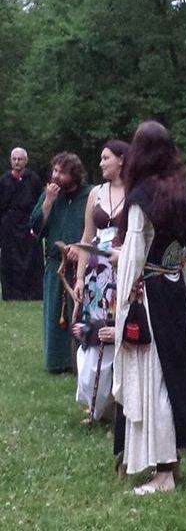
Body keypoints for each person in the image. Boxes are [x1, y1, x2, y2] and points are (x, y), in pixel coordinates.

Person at [113, 121, 186, 495]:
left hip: (149, 296)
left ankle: (163, 473)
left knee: (155, 379)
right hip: (175, 291)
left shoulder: (143, 197)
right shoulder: (185, 194)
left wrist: (126, 294)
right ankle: (168, 463)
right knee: (171, 376)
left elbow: (133, 253)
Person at [72, 140, 128, 423]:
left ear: (121, 160)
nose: (101, 163)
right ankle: (95, 403)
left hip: (122, 268)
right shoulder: (96, 193)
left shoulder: (134, 193)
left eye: (106, 158)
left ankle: (120, 403)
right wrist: (80, 277)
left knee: (116, 330)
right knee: (93, 333)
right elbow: (86, 237)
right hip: (96, 274)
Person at [31, 153, 92, 373]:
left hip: (82, 265)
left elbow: (94, 229)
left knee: (82, 312)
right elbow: (36, 227)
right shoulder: (49, 195)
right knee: (55, 312)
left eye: (62, 172)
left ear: (74, 174)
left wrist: (80, 248)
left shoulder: (89, 195)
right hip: (56, 264)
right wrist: (48, 201)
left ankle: (81, 361)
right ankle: (57, 362)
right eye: (54, 171)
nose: (56, 176)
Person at [0, 147, 44, 300]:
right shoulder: (4, 180)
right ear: (10, 160)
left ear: (26, 161)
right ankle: (11, 293)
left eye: (20, 159)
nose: (17, 162)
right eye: (14, 159)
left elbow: (40, 203)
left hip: (28, 224)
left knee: (32, 258)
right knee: (9, 258)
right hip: (9, 225)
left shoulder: (34, 179)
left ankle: (33, 293)